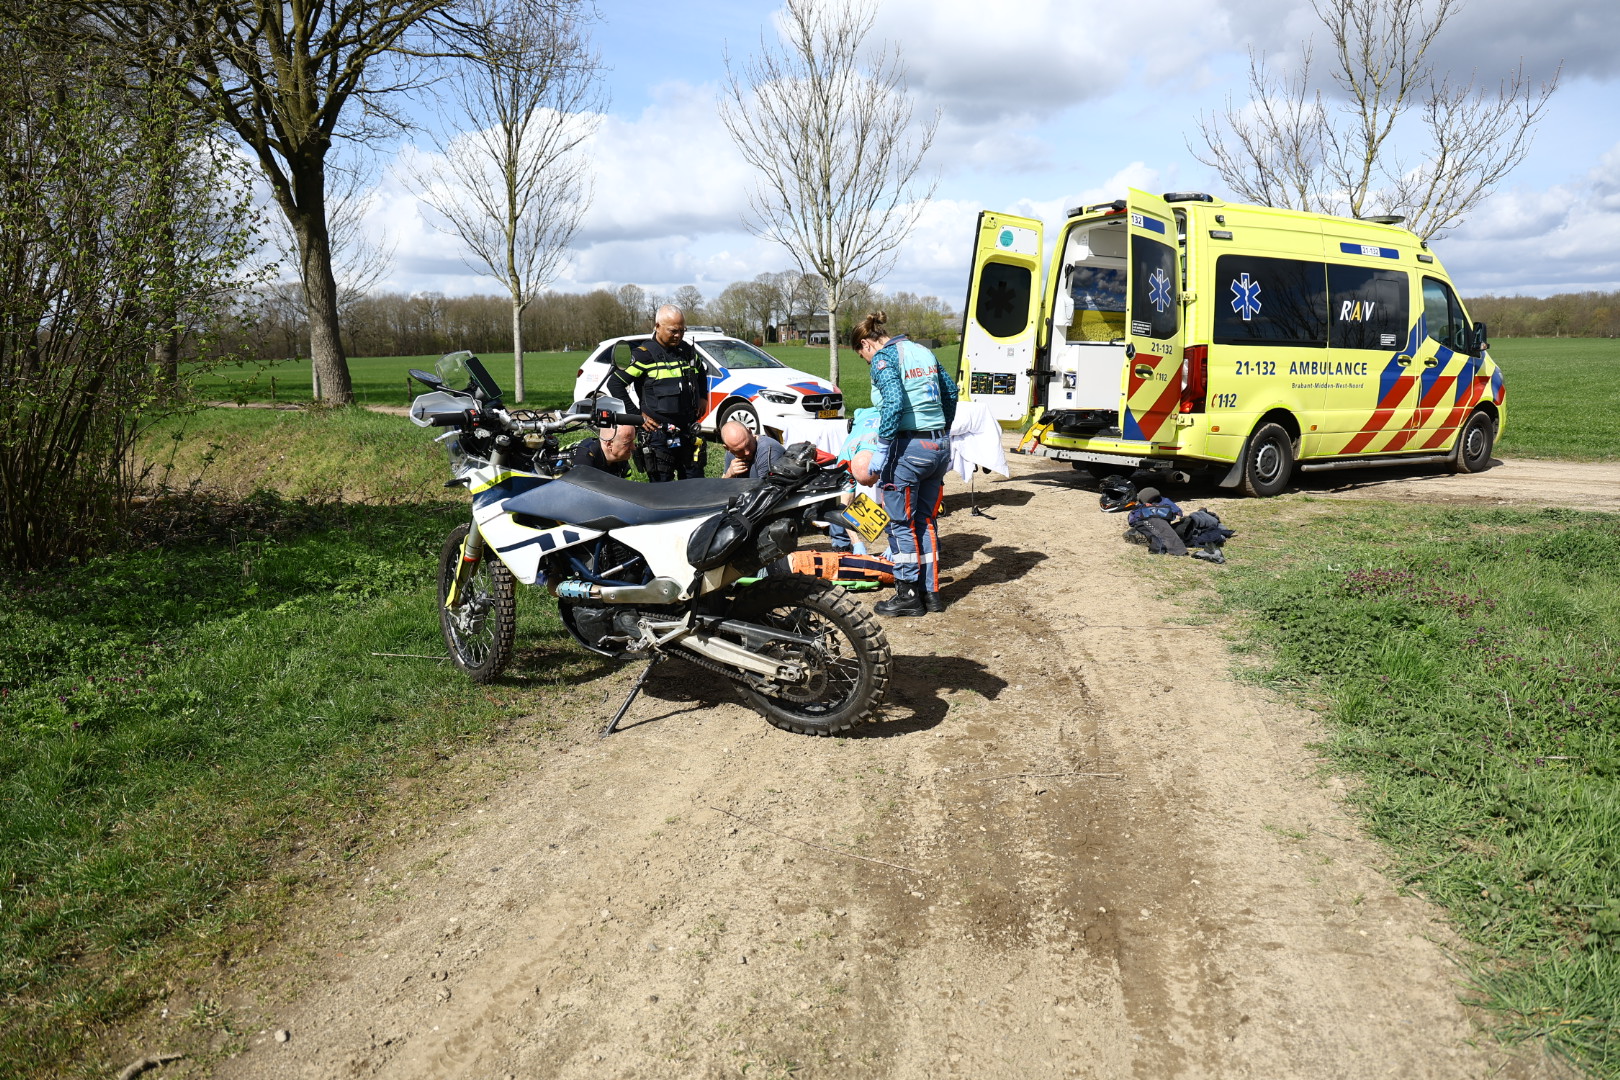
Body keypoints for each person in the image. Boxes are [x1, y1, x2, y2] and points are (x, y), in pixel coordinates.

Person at [852, 311, 958, 617]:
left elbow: (894, 403)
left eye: (862, 357)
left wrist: (883, 446)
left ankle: (908, 594)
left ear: (866, 344)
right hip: (938, 447)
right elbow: (950, 392)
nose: (868, 363)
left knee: (901, 524)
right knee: (926, 520)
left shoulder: (884, 358)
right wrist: (942, 429)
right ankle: (931, 593)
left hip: (908, 449)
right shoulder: (922, 350)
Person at [608, 305, 707, 482]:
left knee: (695, 486)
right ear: (657, 326)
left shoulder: (687, 351)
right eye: (673, 331)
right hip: (658, 435)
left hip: (687, 430)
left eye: (682, 330)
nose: (678, 335)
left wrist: (703, 397)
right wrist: (637, 416)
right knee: (661, 489)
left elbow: (701, 372)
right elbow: (615, 383)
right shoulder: (643, 355)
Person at [720, 421, 786, 479]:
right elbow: (721, 486)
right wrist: (729, 475)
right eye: (740, 450)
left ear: (750, 431)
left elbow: (766, 487)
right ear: (727, 448)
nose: (747, 452)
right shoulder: (731, 451)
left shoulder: (768, 450)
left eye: (748, 444)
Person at [570, 423, 638, 478]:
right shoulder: (584, 460)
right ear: (609, 444)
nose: (633, 447)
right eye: (627, 443)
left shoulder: (621, 458)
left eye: (633, 441)